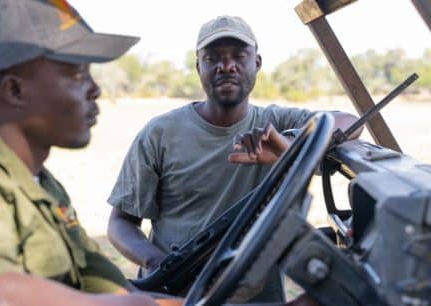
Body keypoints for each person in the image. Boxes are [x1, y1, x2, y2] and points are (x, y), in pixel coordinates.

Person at [0, 1, 181, 306]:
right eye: (77, 74)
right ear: (14, 90)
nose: (95, 90)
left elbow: (104, 283)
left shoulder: (40, 184)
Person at [107, 15, 362, 303]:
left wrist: (287, 147)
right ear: (198, 66)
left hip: (256, 295)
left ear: (257, 62)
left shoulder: (277, 123)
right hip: (176, 293)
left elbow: (350, 123)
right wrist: (157, 263)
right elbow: (121, 222)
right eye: (212, 57)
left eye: (239, 55)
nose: (226, 66)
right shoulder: (160, 133)